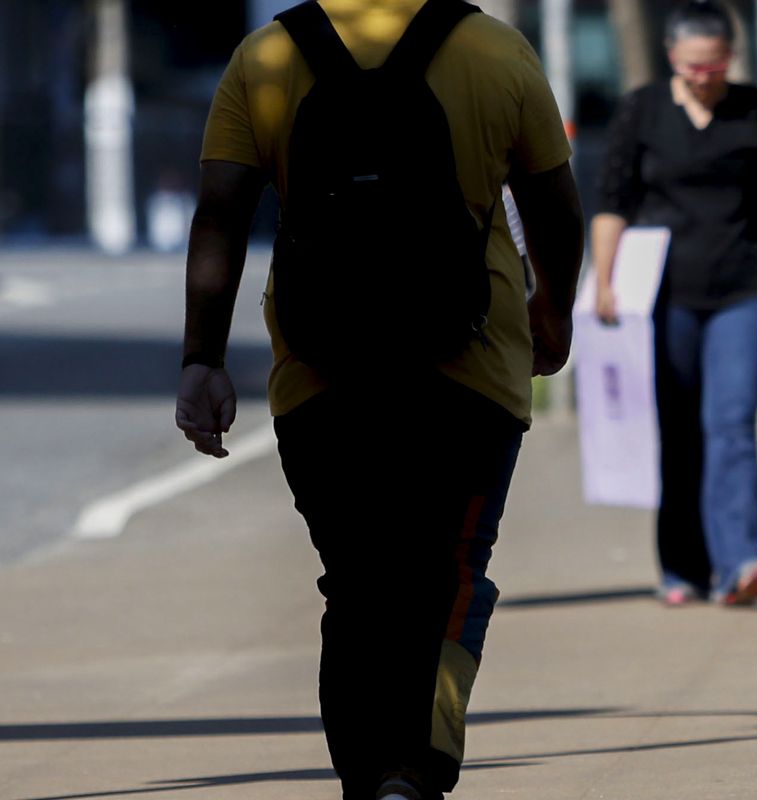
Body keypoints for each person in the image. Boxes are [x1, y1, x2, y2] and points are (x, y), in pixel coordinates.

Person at [174, 1, 583, 798]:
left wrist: (203, 357)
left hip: (321, 372)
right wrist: (552, 310)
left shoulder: (264, 58)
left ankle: (368, 779)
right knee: (453, 575)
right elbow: (554, 205)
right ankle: (415, 773)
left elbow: (221, 210)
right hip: (469, 370)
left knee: (357, 583)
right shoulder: (496, 51)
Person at [591, 0, 757, 607]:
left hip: (748, 289)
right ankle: (684, 567)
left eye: (714, 67)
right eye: (693, 68)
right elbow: (613, 202)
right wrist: (604, 281)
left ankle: (744, 559)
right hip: (665, 295)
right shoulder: (643, 112)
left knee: (729, 423)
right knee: (680, 430)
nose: (704, 78)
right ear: (672, 59)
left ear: (730, 58)